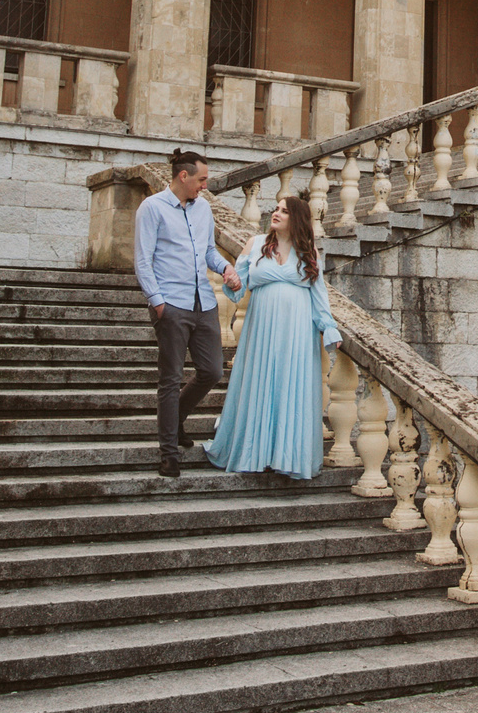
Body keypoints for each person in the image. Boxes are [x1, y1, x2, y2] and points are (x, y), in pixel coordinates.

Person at [205, 194, 343, 480]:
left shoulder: (309, 253)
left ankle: (285, 455)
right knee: (259, 383)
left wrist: (329, 328)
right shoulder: (255, 244)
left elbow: (319, 298)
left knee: (289, 387)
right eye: (276, 208)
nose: (276, 213)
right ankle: (254, 453)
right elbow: (237, 286)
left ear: (297, 218)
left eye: (284, 211)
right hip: (261, 328)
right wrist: (232, 281)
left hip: (298, 332)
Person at [132, 148, 241, 478]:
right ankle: (169, 453)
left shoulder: (203, 209)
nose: (204, 186)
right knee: (170, 378)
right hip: (171, 305)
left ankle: (175, 418)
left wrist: (226, 267)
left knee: (211, 371)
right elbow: (142, 259)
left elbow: (209, 251)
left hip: (204, 303)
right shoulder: (152, 209)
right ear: (183, 176)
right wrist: (158, 301)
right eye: (201, 180)